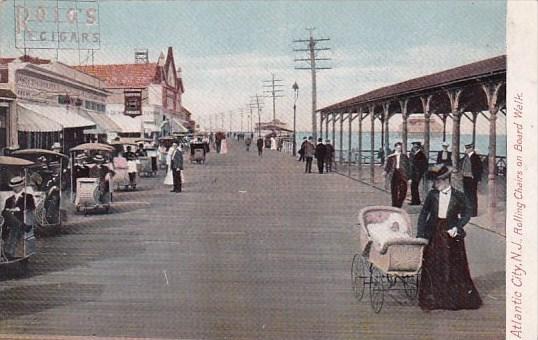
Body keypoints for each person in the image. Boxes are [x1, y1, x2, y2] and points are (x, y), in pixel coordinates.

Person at [417, 164, 482, 311]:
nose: (434, 184)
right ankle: (433, 299)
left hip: (451, 233)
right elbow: (423, 214)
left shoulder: (459, 195)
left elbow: (467, 212)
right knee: (433, 264)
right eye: (434, 182)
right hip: (433, 232)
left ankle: (450, 299)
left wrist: (457, 227)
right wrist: (421, 234)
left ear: (446, 180)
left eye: (437, 182)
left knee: (452, 266)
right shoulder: (432, 195)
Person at [1, 176, 36, 259]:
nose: (15, 188)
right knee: (5, 212)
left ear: (22, 186)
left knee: (14, 227)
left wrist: (18, 209)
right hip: (11, 223)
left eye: (17, 186)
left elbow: (32, 207)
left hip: (21, 218)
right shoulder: (8, 200)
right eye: (14, 187)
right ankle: (22, 226)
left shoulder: (28, 197)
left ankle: (8, 252)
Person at [384, 142, 411, 208]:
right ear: (395, 147)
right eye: (398, 147)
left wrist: (409, 177)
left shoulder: (404, 156)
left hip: (402, 174)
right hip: (394, 173)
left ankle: (399, 204)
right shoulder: (391, 157)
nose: (399, 149)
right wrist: (385, 171)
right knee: (394, 190)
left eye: (400, 148)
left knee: (403, 190)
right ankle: (394, 205)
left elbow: (408, 167)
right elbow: (388, 166)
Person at [460, 143, 482, 217]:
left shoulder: (475, 157)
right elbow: (461, 163)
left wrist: (477, 179)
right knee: (466, 195)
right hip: (465, 178)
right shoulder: (465, 157)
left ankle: (473, 213)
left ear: (470, 149)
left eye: (466, 149)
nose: (465, 150)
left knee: (472, 195)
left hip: (472, 179)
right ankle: (467, 211)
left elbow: (479, 169)